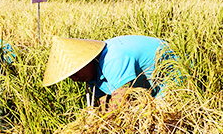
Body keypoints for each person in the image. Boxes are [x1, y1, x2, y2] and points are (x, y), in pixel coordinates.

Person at [42, 35, 175, 109]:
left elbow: (120, 99)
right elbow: (104, 102)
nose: (75, 79)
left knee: (163, 115)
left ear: (86, 61)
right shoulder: (92, 74)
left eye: (75, 73)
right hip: (150, 83)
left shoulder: (113, 59)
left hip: (172, 74)